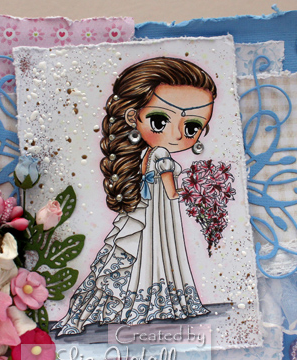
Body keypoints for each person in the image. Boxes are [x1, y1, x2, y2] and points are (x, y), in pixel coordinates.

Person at [53, 57, 216, 336]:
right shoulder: (161, 153)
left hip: (145, 208)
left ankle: (128, 301)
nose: (178, 134)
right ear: (133, 117)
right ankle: (154, 301)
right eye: (160, 121)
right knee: (157, 249)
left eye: (191, 127)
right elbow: (170, 191)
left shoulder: (146, 153)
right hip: (158, 213)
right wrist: (189, 193)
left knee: (137, 251)